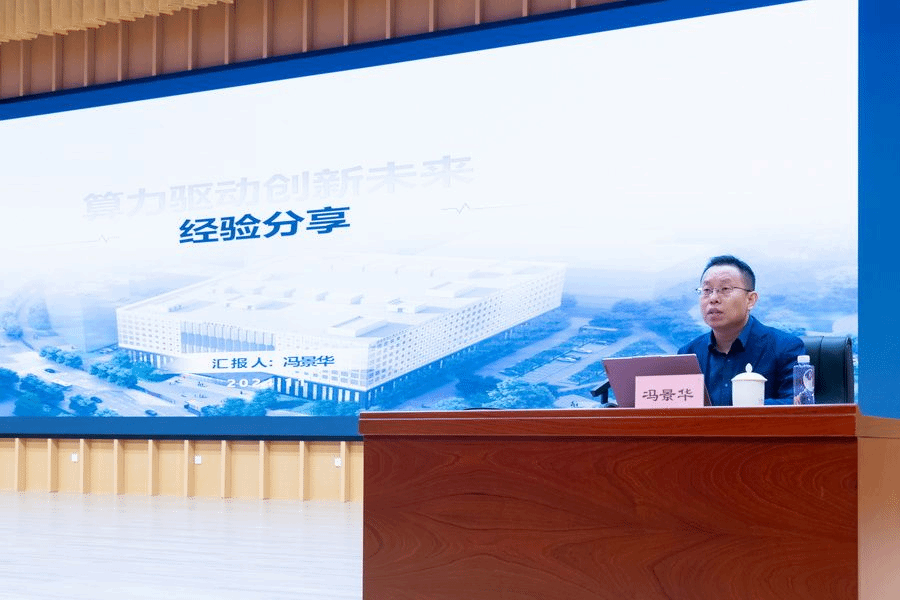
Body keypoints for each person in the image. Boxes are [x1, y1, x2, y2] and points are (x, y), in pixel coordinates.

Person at [678, 255, 805, 406]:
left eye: (725, 289)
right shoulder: (688, 354)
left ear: (750, 300)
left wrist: (749, 407)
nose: (713, 298)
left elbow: (798, 404)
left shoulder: (786, 347)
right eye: (706, 290)